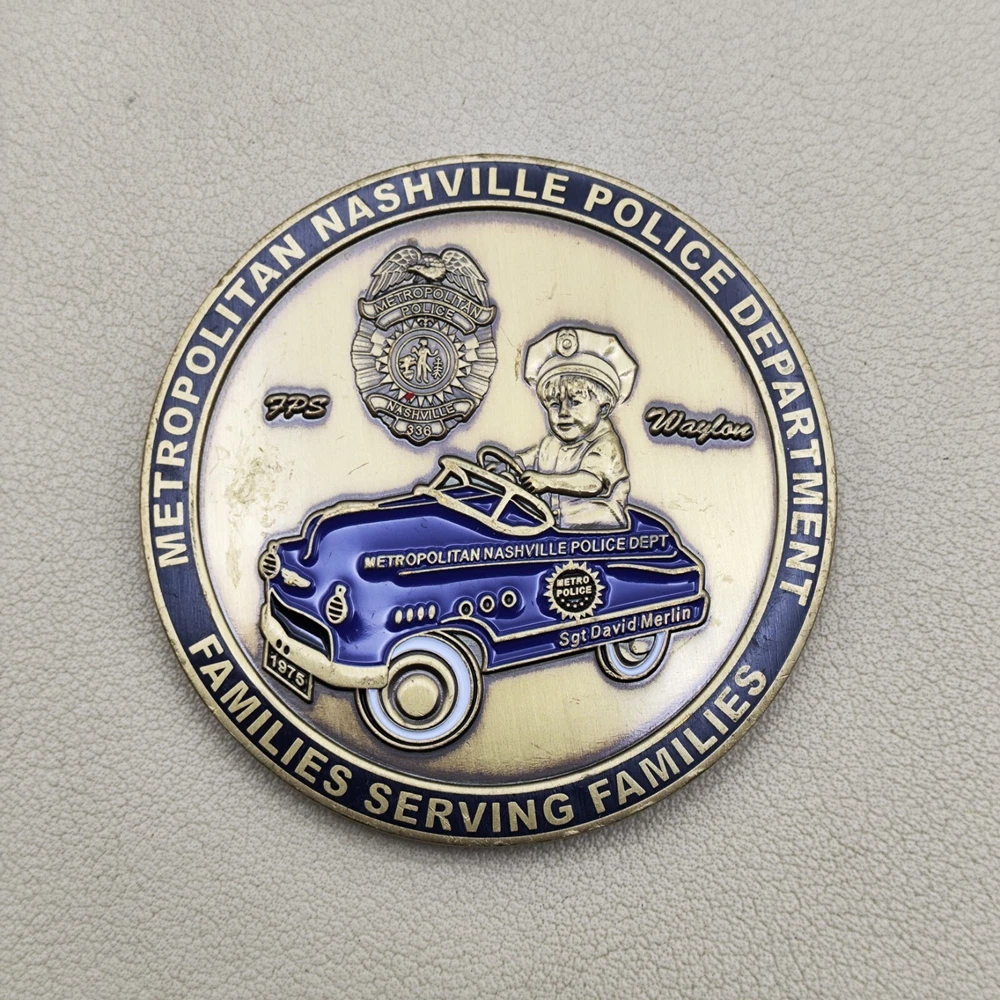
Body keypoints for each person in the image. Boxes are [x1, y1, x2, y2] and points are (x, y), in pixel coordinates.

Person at [516, 327, 637, 530]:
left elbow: (591, 482)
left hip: (598, 536)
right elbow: (527, 459)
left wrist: (546, 482)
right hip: (552, 532)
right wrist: (508, 467)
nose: (563, 413)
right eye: (554, 404)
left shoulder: (606, 444)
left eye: (575, 402)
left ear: (604, 408)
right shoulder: (550, 442)